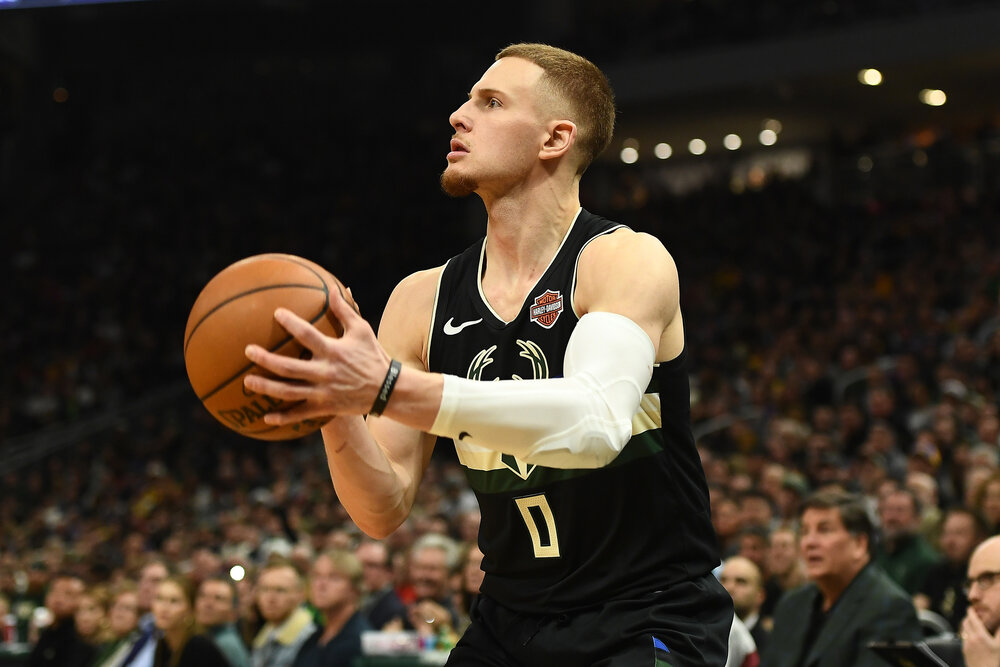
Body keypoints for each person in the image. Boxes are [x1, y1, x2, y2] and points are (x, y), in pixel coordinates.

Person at [244, 41, 732, 665]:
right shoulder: (420, 299)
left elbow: (597, 422)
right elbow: (382, 508)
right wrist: (335, 406)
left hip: (646, 612)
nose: (458, 115)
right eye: (467, 99)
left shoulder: (623, 259)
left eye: (490, 102)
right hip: (509, 619)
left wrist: (386, 387)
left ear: (555, 139)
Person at [761, 489, 923, 667]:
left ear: (859, 545)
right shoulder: (791, 604)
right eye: (804, 531)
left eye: (824, 530)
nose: (809, 542)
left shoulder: (890, 609)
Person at [291, 550, 370, 667]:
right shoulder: (314, 638)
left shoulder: (359, 641)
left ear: (355, 589)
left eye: (334, 578)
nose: (321, 585)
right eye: (316, 576)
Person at [915, 507, 987, 634]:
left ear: (979, 538)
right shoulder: (936, 571)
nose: (950, 541)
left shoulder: (985, 576)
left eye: (960, 533)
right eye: (946, 533)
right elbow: (920, 602)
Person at [150, 575, 229, 667]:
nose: (164, 608)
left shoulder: (199, 647)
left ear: (190, 609)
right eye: (159, 599)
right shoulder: (163, 643)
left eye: (174, 601)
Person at [875, 487, 942, 595]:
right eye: (888, 510)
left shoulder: (926, 560)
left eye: (900, 510)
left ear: (917, 519)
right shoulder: (872, 551)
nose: (892, 517)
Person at [250, 559, 315, 667]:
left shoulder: (310, 639)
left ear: (301, 595)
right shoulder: (266, 633)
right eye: (265, 589)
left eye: (280, 590)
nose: (270, 598)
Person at [26, 572, 94, 667]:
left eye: (68, 594)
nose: (58, 599)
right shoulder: (49, 631)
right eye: (54, 591)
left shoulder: (82, 637)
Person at [120, 556, 170, 667]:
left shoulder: (169, 633)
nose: (145, 587)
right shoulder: (142, 626)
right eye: (142, 579)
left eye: (155, 581)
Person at [194, 575, 251, 667]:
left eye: (218, 598)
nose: (208, 603)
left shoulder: (225, 645)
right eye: (202, 595)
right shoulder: (202, 637)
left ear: (233, 611)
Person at [719, 556, 771, 654]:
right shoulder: (706, 636)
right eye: (723, 580)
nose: (729, 587)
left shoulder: (770, 645)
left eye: (740, 581)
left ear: (760, 595)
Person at [353, 539, 406, 630]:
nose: (362, 571)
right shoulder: (353, 601)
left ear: (389, 572)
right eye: (358, 564)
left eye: (371, 565)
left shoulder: (393, 611)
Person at [91, 581, 142, 667]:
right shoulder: (110, 643)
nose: (119, 613)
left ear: (139, 616)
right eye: (115, 606)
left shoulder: (137, 645)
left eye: (127, 608)